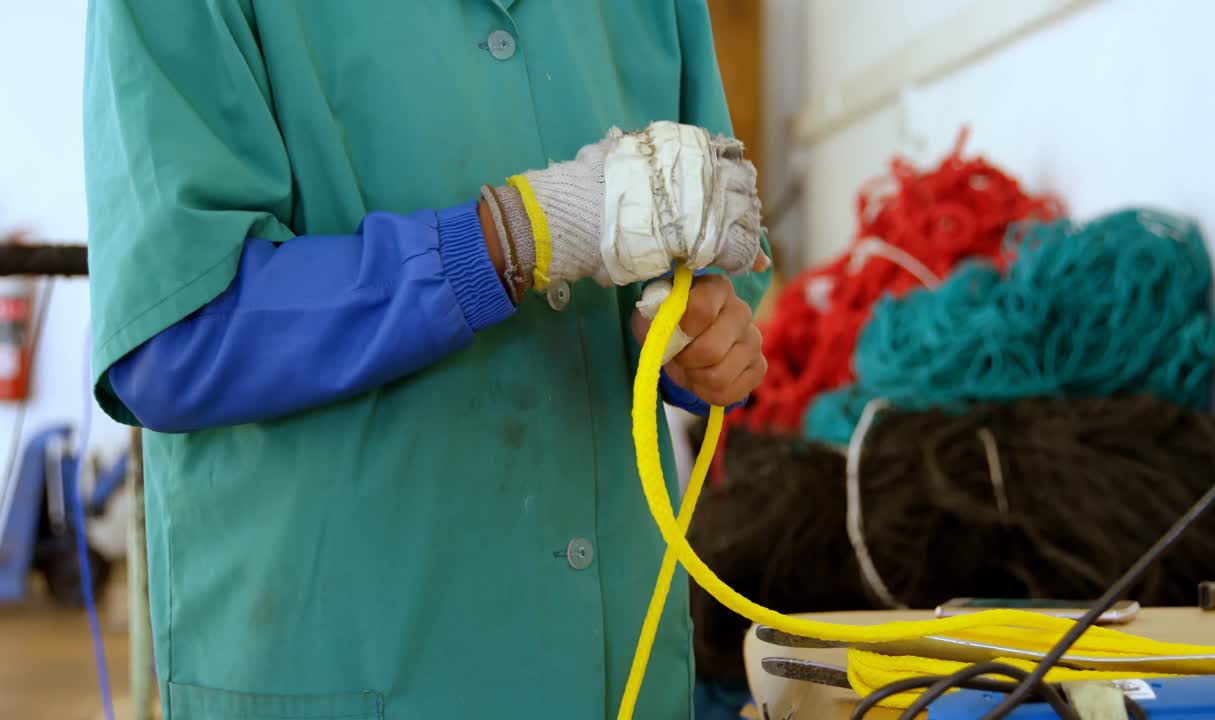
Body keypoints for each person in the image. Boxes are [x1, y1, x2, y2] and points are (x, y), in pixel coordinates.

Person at [83, 2, 772, 719]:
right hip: (347, 660)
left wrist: (703, 340)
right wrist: (505, 240)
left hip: (617, 667)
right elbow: (176, 332)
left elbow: (718, 251)